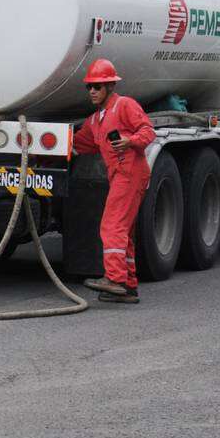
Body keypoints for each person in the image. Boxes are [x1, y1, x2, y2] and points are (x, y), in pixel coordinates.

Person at [73, 59, 157, 304]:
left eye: (97, 87)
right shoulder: (95, 120)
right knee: (124, 231)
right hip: (119, 175)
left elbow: (148, 130)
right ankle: (128, 285)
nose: (92, 91)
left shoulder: (124, 105)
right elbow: (80, 143)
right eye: (89, 87)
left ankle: (115, 279)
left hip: (130, 173)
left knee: (112, 226)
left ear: (110, 87)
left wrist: (130, 141)